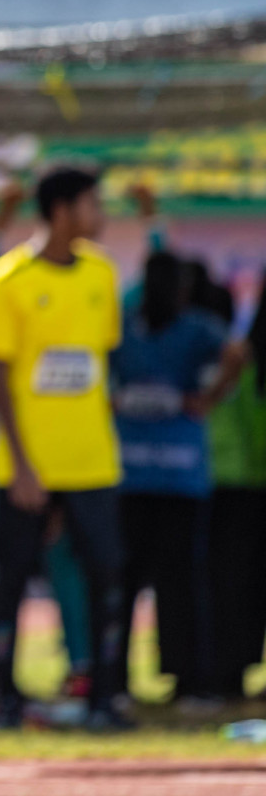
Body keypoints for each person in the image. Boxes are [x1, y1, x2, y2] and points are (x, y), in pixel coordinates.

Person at [0, 166, 131, 731]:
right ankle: (5, 698)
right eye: (93, 205)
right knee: (11, 580)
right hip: (26, 465)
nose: (102, 217)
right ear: (61, 210)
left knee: (107, 575)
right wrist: (21, 464)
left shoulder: (102, 274)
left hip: (93, 460)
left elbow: (98, 363)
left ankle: (106, 697)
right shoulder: (7, 279)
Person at [109, 252, 228, 706]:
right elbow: (236, 353)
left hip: (131, 473)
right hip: (179, 474)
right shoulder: (196, 326)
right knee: (181, 583)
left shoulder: (130, 328)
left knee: (124, 581)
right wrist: (208, 397)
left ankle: (115, 682)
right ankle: (191, 684)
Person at [209, 291, 266, 700]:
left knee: (233, 584)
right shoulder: (239, 358)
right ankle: (229, 673)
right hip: (238, 483)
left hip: (232, 484)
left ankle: (230, 674)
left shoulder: (239, 358)